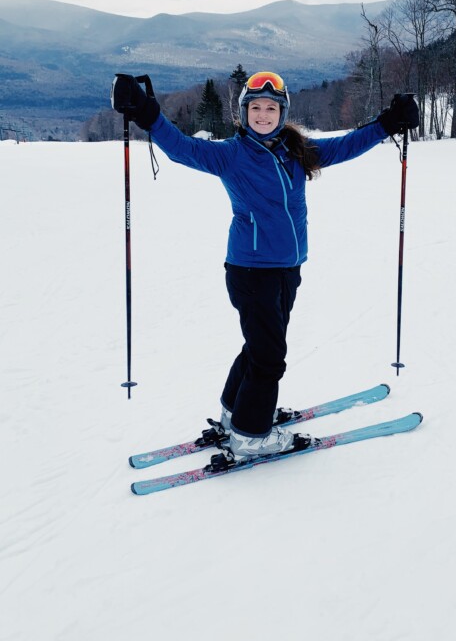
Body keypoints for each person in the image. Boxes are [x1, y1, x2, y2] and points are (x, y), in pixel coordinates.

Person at [112, 70, 419, 462]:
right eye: (255, 107)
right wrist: (145, 111)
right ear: (243, 112)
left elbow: (344, 145)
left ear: (282, 111)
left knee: (259, 349)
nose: (262, 114)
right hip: (250, 270)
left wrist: (387, 123)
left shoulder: (296, 150)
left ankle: (232, 412)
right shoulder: (231, 155)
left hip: (287, 269)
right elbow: (182, 148)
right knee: (270, 357)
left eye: (270, 107)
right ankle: (250, 435)